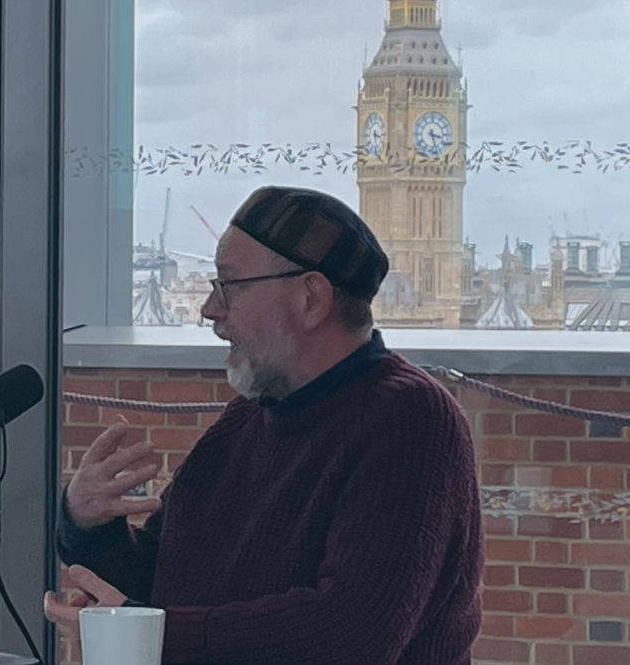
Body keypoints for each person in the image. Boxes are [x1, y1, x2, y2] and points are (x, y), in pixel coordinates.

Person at [44, 185, 483, 665]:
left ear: (310, 299)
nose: (209, 310)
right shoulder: (250, 416)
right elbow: (161, 583)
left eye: (227, 286)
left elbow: (352, 632)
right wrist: (89, 525)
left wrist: (152, 639)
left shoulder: (410, 421)